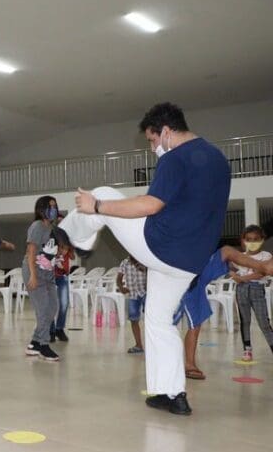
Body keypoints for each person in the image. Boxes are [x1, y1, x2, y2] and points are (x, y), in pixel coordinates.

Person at [61, 102, 231, 415]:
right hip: (189, 261)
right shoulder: (219, 159)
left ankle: (73, 236)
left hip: (160, 246)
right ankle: (171, 394)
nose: (152, 148)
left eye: (152, 141)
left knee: (105, 193)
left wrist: (96, 207)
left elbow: (150, 205)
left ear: (166, 132)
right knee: (158, 319)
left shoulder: (176, 157)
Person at [175, 245, 273, 379]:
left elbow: (231, 265)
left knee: (226, 251)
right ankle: (189, 365)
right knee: (194, 325)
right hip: (187, 280)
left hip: (197, 277)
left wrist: (236, 269)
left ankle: (189, 364)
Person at [23, 196, 61, 361]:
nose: (53, 209)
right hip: (35, 272)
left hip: (48, 273)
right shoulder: (37, 226)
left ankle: (35, 342)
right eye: (49, 206)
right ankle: (44, 346)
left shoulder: (52, 227)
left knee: (52, 307)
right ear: (41, 209)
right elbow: (31, 252)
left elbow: (51, 250)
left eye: (55, 206)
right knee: (43, 309)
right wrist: (32, 275)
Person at [230, 225, 273, 362]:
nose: (252, 242)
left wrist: (242, 278)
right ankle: (247, 350)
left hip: (257, 290)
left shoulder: (266, 256)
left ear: (262, 240)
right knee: (245, 321)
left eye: (256, 239)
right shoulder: (239, 257)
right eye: (249, 239)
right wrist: (232, 273)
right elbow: (227, 266)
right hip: (241, 291)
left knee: (263, 321)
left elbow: (261, 273)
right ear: (243, 240)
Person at [117, 255, 147, 354]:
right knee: (134, 319)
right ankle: (138, 345)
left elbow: (153, 275)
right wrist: (121, 287)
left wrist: (144, 270)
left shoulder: (144, 260)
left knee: (150, 319)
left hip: (146, 293)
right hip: (133, 294)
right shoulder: (124, 262)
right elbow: (119, 278)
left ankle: (154, 345)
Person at [51, 242, 74, 342]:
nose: (63, 251)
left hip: (63, 277)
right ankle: (50, 330)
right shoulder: (52, 249)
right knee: (50, 305)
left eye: (66, 249)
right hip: (50, 277)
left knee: (64, 303)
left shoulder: (68, 252)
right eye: (62, 248)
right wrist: (54, 258)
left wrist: (62, 267)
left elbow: (72, 258)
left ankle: (59, 329)